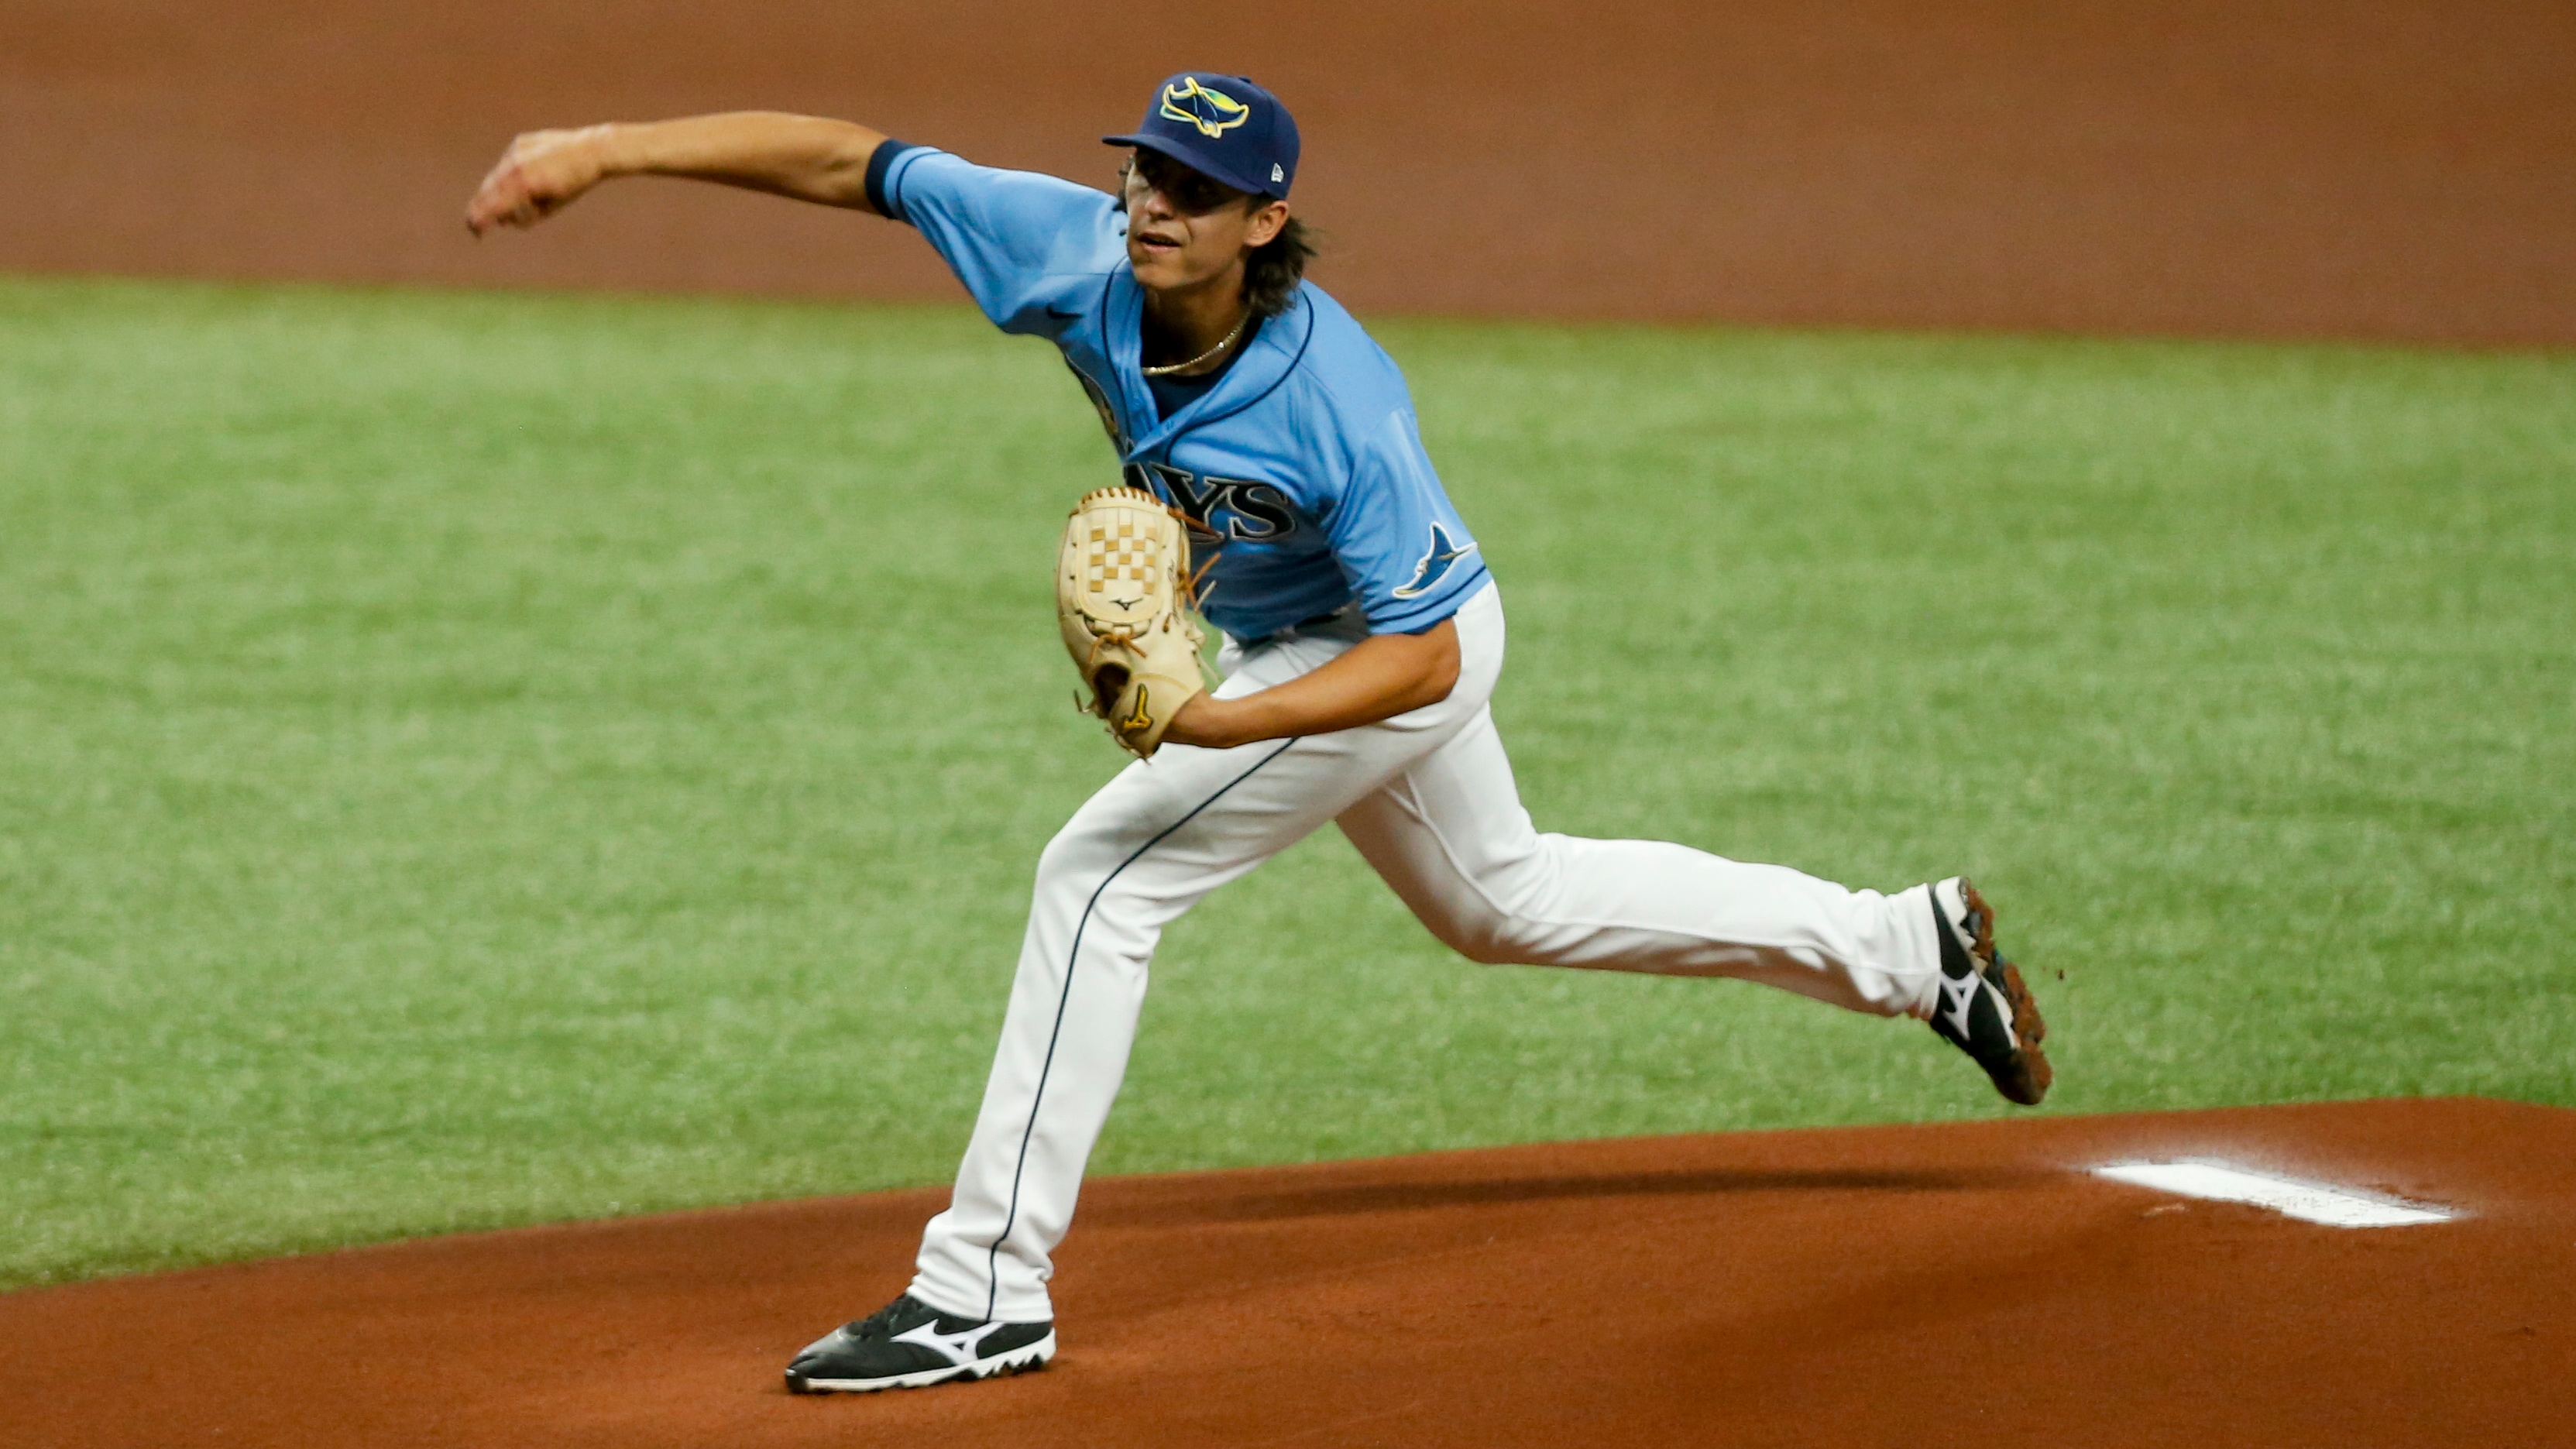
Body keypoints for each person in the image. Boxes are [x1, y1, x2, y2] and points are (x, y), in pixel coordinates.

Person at [465, 71, 2052, 1396]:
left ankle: (985, 1286)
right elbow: (856, 163)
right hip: (1316, 641)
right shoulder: (1070, 253)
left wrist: (1224, 719)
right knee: (1506, 904)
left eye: (1197, 191)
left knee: (1099, 880)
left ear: (1263, 222)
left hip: (1383, 648)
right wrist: (604, 152)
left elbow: (1424, 657)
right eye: (1148, 173)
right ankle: (1911, 947)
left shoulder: (1334, 396)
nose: (1156, 205)